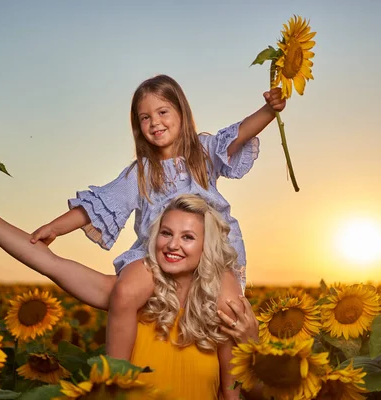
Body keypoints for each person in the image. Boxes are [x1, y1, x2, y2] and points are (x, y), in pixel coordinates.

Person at [29, 74, 286, 361]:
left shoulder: (202, 152)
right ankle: (116, 374)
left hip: (211, 253)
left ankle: (230, 390)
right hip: (159, 254)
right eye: (145, 118)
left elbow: (238, 135)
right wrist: (55, 227)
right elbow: (98, 204)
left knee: (231, 310)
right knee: (125, 292)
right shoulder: (140, 173)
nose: (155, 123)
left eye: (162, 112)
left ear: (181, 113)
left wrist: (269, 110)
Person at [0, 176, 258, 399]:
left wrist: (251, 343)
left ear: (207, 246)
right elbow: (49, 262)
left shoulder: (221, 316)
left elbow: (234, 395)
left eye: (188, 237)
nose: (173, 245)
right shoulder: (130, 298)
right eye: (166, 233)